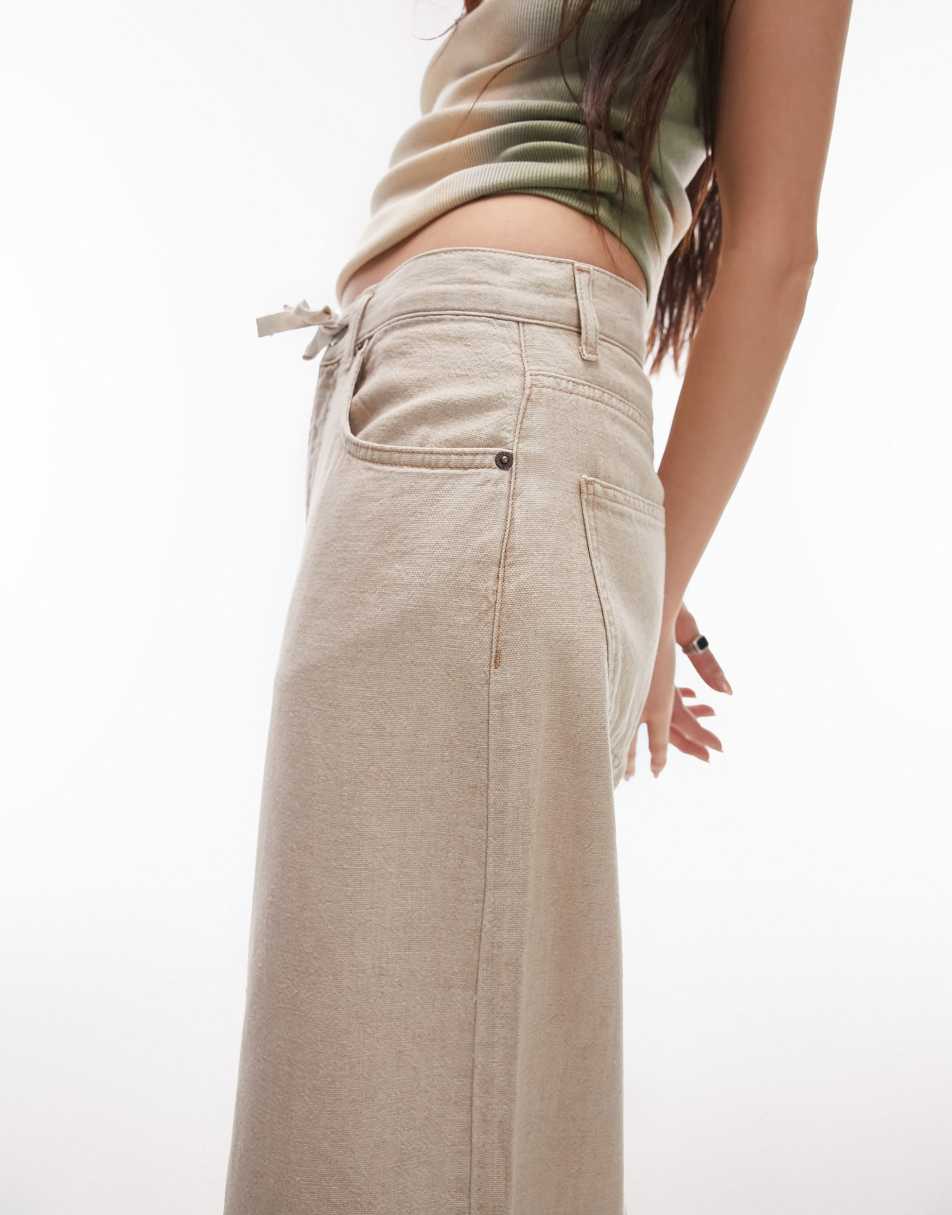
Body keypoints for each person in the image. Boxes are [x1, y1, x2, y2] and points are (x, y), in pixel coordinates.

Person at [222, 1, 852, 1212]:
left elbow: (775, 251)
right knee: (361, 1063)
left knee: (408, 1090)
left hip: (489, 392)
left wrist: (652, 570)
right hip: (419, 396)